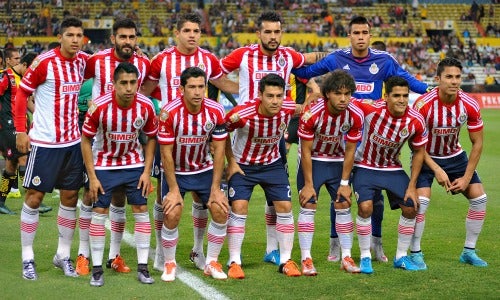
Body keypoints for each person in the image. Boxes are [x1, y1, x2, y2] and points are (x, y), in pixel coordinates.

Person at [293, 16, 429, 263]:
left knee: (373, 197)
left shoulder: (384, 61)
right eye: (356, 32)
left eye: (365, 32)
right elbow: (305, 73)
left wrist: (430, 90)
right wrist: (307, 85)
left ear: (370, 34)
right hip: (341, 138)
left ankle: (376, 244)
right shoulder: (337, 58)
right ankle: (336, 245)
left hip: (372, 139)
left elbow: (406, 79)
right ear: (349, 35)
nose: (361, 37)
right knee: (341, 194)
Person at [220, 11, 322, 265]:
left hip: (274, 135)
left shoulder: (288, 55)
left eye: (277, 32)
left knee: (275, 199)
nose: (273, 36)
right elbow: (215, 72)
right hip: (245, 131)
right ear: (259, 33)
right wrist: (236, 91)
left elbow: (308, 60)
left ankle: (272, 249)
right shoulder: (243, 55)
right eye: (268, 32)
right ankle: (226, 255)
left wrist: (336, 58)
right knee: (236, 203)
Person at [140, 12, 237, 272]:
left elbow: (223, 83)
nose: (192, 35)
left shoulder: (208, 59)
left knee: (201, 197)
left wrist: (253, 89)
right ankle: (161, 252)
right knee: (165, 201)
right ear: (177, 33)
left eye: (196, 30)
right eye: (187, 30)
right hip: (169, 137)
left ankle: (198, 250)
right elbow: (145, 91)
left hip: (200, 137)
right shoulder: (161, 59)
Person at [15, 17, 89, 280]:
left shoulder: (82, 62)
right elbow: (22, 93)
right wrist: (21, 130)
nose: (75, 39)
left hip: (72, 144)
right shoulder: (44, 62)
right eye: (70, 34)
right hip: (45, 143)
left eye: (79, 35)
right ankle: (27, 258)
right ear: (61, 37)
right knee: (34, 197)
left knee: (70, 198)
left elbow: (106, 63)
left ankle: (63, 255)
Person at [75, 18, 151, 277]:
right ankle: (83, 255)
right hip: (98, 141)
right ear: (113, 38)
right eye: (123, 37)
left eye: (132, 37)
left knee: (119, 199)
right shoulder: (96, 61)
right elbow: (77, 80)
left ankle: (114, 256)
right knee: (90, 196)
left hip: (127, 144)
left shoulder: (143, 63)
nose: (127, 42)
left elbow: (149, 89)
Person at [81, 62, 157, 287]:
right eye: (123, 83)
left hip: (133, 163)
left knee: (141, 209)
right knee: (100, 210)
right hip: (104, 163)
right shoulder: (100, 106)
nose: (129, 87)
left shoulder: (146, 105)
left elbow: (152, 137)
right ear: (113, 84)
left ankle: (143, 268)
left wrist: (146, 171)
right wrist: (92, 176)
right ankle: (96, 268)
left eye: (133, 82)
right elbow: (86, 140)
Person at [411, 57, 488, 269]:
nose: (454, 81)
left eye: (457, 77)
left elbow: (478, 143)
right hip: (425, 156)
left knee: (479, 198)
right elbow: (415, 144)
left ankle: (469, 251)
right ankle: (415, 252)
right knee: (421, 203)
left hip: (455, 156)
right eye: (449, 77)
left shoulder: (469, 103)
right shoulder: (423, 104)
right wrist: (436, 169)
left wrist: (465, 177)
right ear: (438, 79)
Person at [224, 74, 304, 279]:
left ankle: (286, 260)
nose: (275, 101)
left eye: (279, 95)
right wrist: (230, 161)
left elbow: (304, 108)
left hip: (272, 164)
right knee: (239, 207)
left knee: (285, 207)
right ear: (260, 95)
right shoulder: (243, 114)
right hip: (243, 166)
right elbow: (221, 131)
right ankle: (234, 261)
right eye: (270, 96)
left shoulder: (287, 108)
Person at [157, 67, 229, 281]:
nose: (197, 92)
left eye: (201, 87)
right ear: (181, 89)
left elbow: (219, 151)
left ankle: (211, 261)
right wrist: (173, 189)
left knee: (221, 210)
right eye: (192, 87)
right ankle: (169, 263)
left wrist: (216, 189)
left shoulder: (215, 110)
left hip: (203, 168)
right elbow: (166, 153)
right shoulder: (169, 112)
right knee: (172, 212)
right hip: (175, 170)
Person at [350, 76, 428, 274]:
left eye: (405, 95)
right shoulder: (371, 109)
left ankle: (401, 256)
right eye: (396, 96)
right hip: (365, 165)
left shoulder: (416, 120)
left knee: (411, 208)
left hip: (392, 168)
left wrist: (412, 185)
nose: (401, 100)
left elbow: (419, 152)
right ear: (386, 97)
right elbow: (344, 100)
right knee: (366, 207)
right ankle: (366, 256)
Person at [297, 70, 364, 275]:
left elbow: (351, 150)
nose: (343, 99)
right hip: (313, 161)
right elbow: (306, 151)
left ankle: (346, 256)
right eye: (338, 93)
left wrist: (345, 183)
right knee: (308, 204)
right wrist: (308, 184)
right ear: (327, 94)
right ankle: (306, 258)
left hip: (337, 162)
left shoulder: (355, 114)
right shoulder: (312, 114)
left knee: (344, 204)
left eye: (347, 93)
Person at [0, 52, 37, 215]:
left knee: (11, 165)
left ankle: (0, 202)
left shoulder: (25, 80)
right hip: (7, 126)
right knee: (23, 157)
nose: (31, 75)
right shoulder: (5, 77)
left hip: (19, 125)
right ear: (24, 65)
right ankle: (32, 200)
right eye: (30, 70)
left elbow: (28, 102)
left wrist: (39, 115)